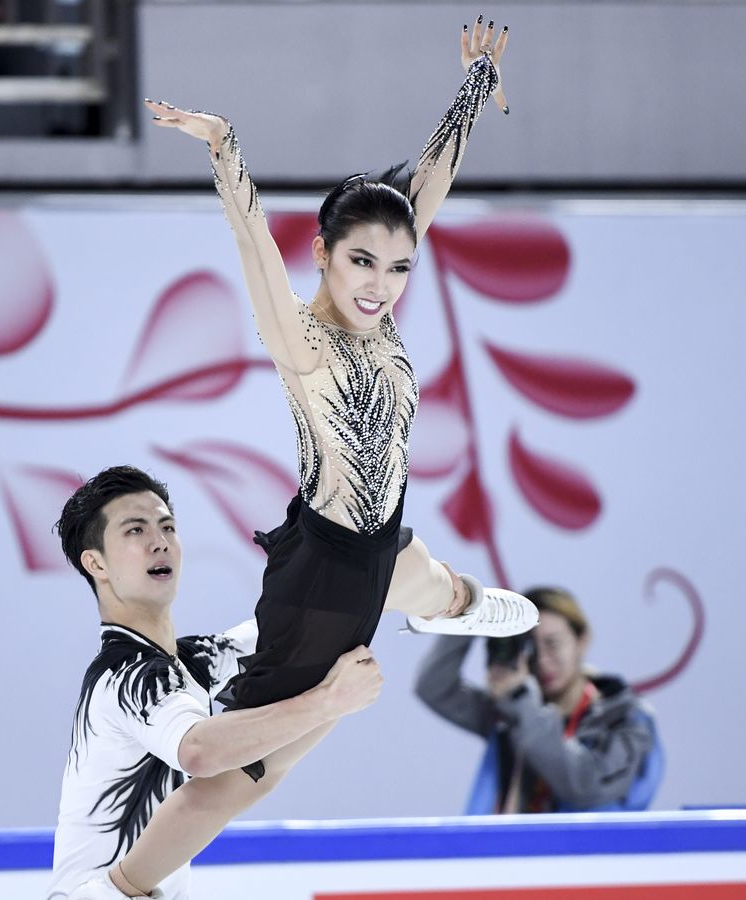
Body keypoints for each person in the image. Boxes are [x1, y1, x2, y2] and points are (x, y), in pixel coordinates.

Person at [73, 15, 539, 899]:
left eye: (398, 268)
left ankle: (454, 603)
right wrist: (226, 150)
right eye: (362, 262)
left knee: (432, 585)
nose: (381, 284)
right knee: (248, 776)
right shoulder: (302, 341)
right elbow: (253, 244)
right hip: (324, 580)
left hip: (381, 547)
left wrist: (478, 84)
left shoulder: (381, 301)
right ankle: (120, 887)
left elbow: (427, 183)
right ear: (322, 254)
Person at [49, 465, 384, 899]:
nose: (159, 541)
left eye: (167, 526)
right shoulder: (127, 675)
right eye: (136, 530)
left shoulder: (192, 663)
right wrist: (327, 702)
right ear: (96, 563)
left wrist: (437, 596)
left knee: (254, 774)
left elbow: (302, 630)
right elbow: (200, 752)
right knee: (242, 779)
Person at [415, 587, 664, 814]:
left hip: (585, 851)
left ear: (582, 640)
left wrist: (521, 700)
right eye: (531, 648)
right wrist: (467, 613)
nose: (543, 660)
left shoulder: (627, 717)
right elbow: (434, 688)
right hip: (504, 848)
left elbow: (586, 786)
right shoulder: (511, 711)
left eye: (552, 644)